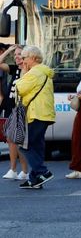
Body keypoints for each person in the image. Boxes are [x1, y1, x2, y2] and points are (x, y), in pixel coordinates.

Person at [15, 45, 55, 190]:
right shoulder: (43, 71)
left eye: (24, 58)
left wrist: (23, 73)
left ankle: (43, 172)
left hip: (36, 114)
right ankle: (35, 179)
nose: (23, 61)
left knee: (24, 145)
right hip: (43, 114)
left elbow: (19, 88)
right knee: (37, 146)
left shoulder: (34, 73)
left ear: (32, 58)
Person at [0, 45, 29, 181]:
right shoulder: (15, 69)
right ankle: (16, 170)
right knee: (11, 140)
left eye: (19, 54)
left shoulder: (29, 71)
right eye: (15, 54)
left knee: (17, 140)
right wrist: (8, 51)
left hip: (20, 109)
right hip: (9, 107)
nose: (16, 57)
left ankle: (21, 170)